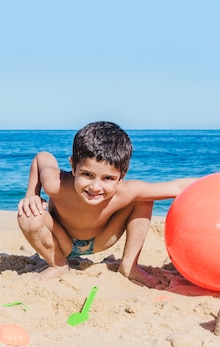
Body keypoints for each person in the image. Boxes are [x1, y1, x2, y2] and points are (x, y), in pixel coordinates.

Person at [17, 121, 197, 287]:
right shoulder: (55, 184)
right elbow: (42, 157)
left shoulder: (126, 191)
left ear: (122, 175)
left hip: (102, 240)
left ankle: (129, 267)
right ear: (73, 166)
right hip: (61, 241)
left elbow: (177, 186)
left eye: (108, 178)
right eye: (87, 174)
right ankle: (58, 265)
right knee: (28, 214)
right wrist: (31, 194)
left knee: (144, 198)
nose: (95, 187)